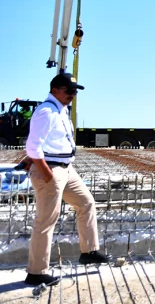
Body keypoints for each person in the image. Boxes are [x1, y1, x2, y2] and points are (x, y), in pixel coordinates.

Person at [24, 73, 110, 287]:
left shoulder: (60, 110)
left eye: (75, 91)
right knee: (45, 221)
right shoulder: (46, 111)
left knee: (86, 202)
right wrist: (46, 174)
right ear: (55, 90)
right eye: (68, 90)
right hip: (51, 170)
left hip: (66, 169)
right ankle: (36, 272)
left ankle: (89, 251)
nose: (72, 94)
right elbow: (33, 146)